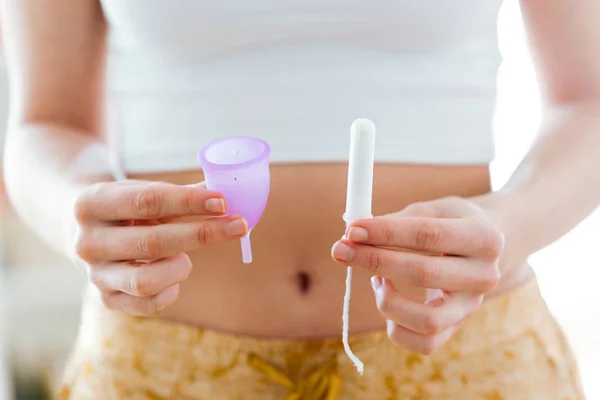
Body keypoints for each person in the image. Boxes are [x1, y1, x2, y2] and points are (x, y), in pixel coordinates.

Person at [1, 0, 597, 398]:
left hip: (467, 364)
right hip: (158, 371)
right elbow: (41, 123)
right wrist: (77, 206)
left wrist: (509, 223)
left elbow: (589, 102)